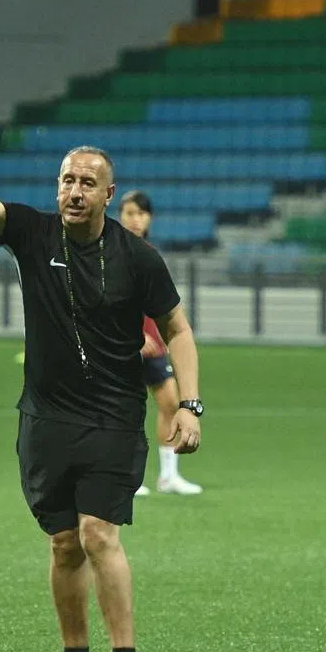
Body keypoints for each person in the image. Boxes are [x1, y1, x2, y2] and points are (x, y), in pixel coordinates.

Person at [0, 137, 203, 652]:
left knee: (99, 535)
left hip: (111, 417)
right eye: (66, 181)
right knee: (62, 544)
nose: (73, 192)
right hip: (45, 418)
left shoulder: (138, 258)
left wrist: (189, 405)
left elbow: (178, 329)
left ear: (108, 194)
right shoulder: (33, 232)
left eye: (86, 183)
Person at [118, 191, 203, 496]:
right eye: (129, 212)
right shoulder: (113, 252)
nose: (135, 219)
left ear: (150, 218)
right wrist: (134, 337)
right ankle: (125, 478)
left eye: (140, 213)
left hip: (153, 343)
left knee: (170, 402)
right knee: (125, 409)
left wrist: (161, 334)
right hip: (125, 345)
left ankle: (168, 476)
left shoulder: (149, 252)